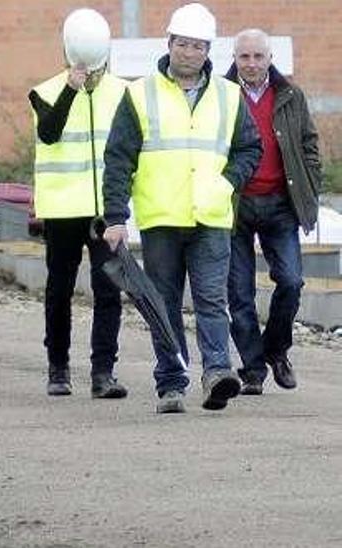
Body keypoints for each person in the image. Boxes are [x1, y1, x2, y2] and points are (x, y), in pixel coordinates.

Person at [102, 3, 262, 414]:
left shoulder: (229, 95)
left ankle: (216, 373)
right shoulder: (139, 94)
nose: (189, 52)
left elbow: (250, 148)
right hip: (161, 218)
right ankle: (171, 383)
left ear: (208, 51)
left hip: (210, 215)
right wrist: (116, 218)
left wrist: (228, 182)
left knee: (211, 299)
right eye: (183, 44)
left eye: (197, 46)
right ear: (169, 44)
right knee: (164, 302)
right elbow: (119, 158)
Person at [28, 8, 127, 399]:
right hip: (62, 209)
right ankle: (58, 367)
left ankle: (103, 372)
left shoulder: (123, 93)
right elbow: (50, 134)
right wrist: (71, 87)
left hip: (105, 209)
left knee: (108, 290)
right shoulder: (45, 91)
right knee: (60, 290)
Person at [224, 29, 322, 395]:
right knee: (239, 292)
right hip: (235, 203)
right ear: (235, 58)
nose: (251, 64)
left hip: (281, 202)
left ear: (269, 58)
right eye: (244, 57)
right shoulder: (220, 94)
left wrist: (309, 186)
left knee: (292, 281)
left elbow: (309, 144)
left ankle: (276, 350)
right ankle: (252, 369)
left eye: (258, 57)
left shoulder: (291, 96)